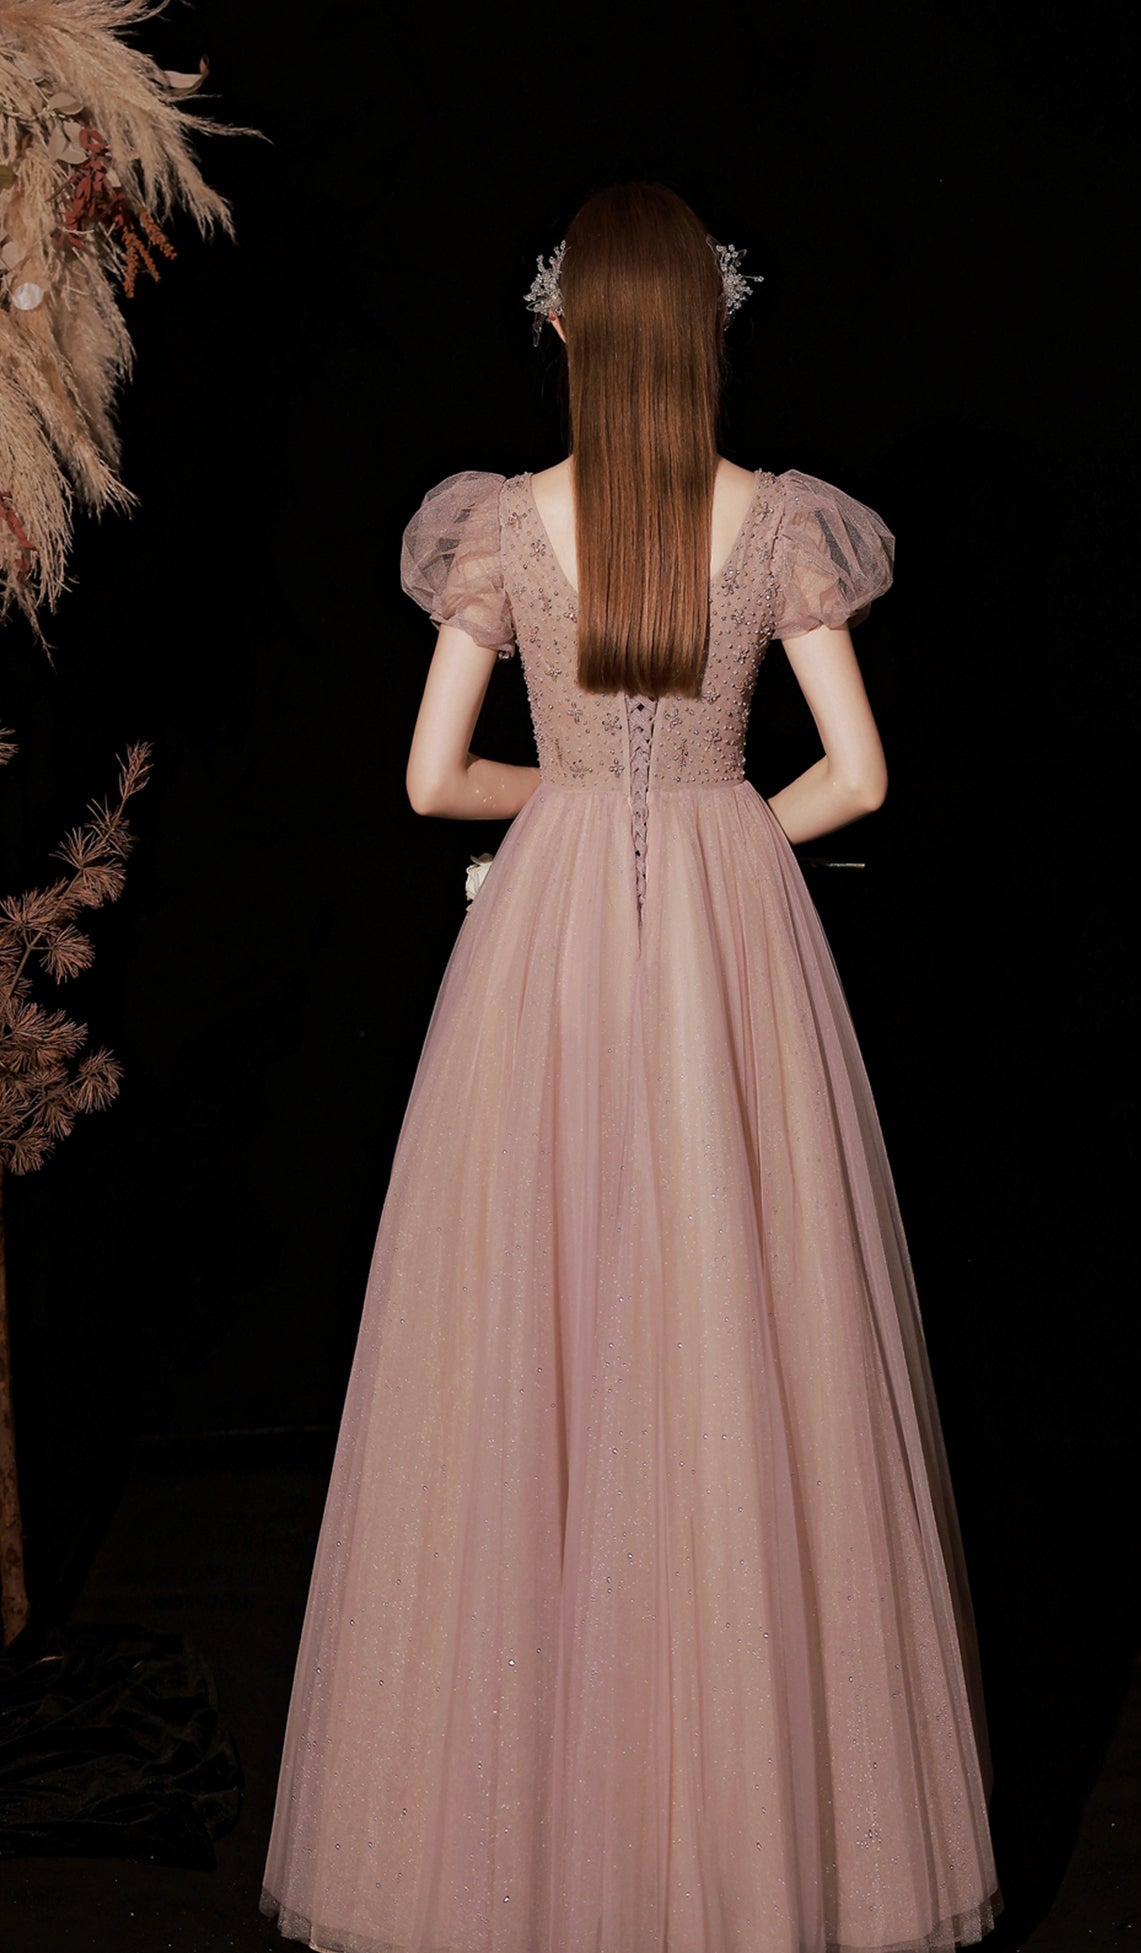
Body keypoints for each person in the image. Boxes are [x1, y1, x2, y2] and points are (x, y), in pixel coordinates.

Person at [260, 180, 1004, 1953]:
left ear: (569, 329)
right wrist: (716, 825)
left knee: (535, 1335)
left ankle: (519, 1850)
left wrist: (578, 815)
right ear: (710, 326)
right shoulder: (777, 521)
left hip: (550, 954)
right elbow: (859, 777)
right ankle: (754, 1852)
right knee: (746, 1336)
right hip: (732, 956)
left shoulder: (506, 525)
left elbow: (432, 780)